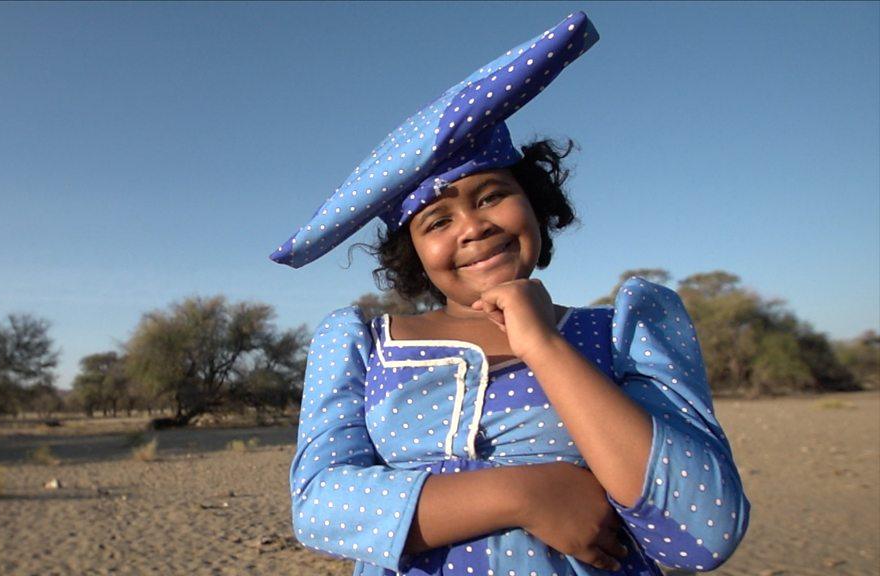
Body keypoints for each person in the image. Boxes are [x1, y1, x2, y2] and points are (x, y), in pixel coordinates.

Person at [271, 11, 750, 576]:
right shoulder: (358, 342)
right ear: (415, 255)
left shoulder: (625, 328)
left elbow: (701, 535)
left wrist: (543, 345)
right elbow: (321, 509)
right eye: (437, 222)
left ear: (534, 201)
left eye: (491, 195)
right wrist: (525, 493)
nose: (472, 228)